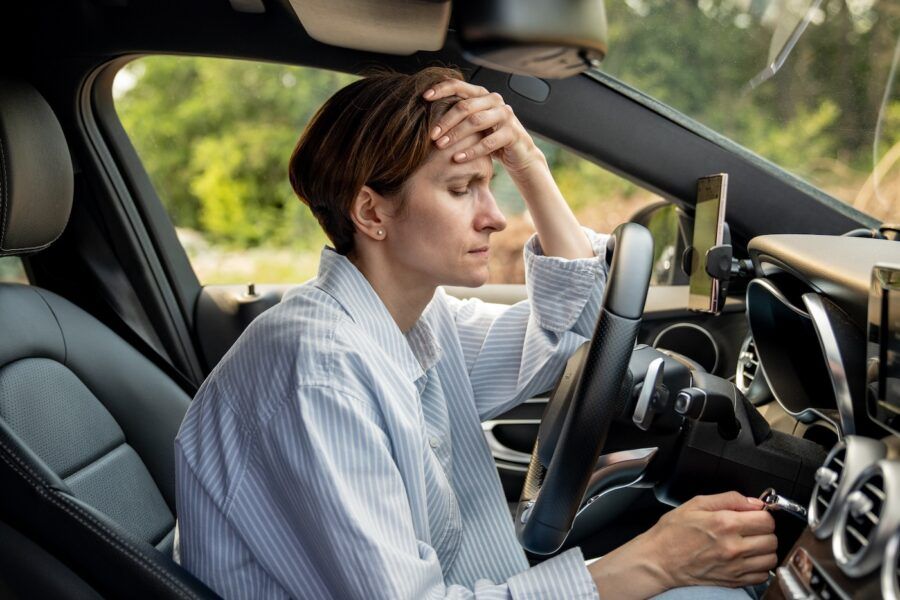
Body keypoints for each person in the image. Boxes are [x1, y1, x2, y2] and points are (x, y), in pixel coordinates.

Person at [174, 66, 776, 599]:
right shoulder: (318, 374)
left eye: (491, 185)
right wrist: (654, 562)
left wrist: (529, 164)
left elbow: (570, 331)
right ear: (372, 212)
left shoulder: (413, 320)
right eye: (462, 189)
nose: (496, 217)